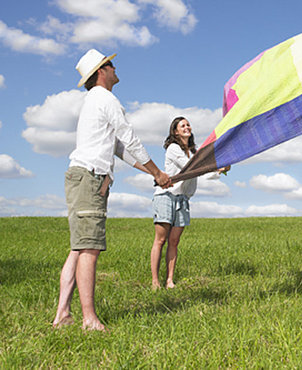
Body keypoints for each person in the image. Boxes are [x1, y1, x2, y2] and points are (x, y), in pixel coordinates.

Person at [52, 49, 171, 332]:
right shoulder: (106, 99)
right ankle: (89, 319)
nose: (116, 68)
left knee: (78, 249)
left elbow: (118, 148)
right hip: (90, 179)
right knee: (90, 249)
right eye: (111, 64)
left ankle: (62, 315)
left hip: (82, 178)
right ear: (102, 71)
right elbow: (130, 139)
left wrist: (155, 175)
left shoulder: (94, 101)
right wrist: (157, 172)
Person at [151, 117, 230, 289]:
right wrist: (214, 166)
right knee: (161, 240)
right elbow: (190, 168)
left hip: (183, 199)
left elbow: (202, 172)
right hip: (166, 195)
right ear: (175, 132)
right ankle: (155, 282)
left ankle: (169, 280)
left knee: (174, 241)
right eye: (182, 126)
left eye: (188, 125)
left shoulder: (193, 154)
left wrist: (220, 168)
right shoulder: (173, 148)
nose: (187, 127)